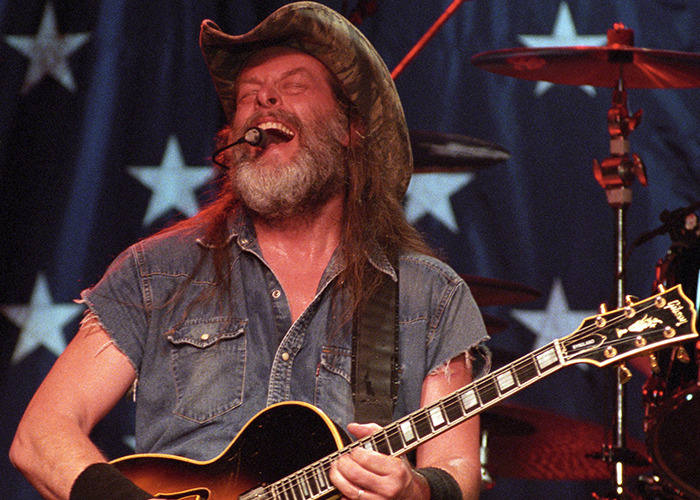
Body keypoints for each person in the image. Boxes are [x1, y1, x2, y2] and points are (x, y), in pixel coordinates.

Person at [10, 2, 489, 499]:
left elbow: (456, 467)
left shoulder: (429, 294)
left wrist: (415, 491)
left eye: (294, 85)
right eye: (247, 94)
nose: (265, 99)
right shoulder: (155, 271)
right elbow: (42, 435)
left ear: (351, 128)